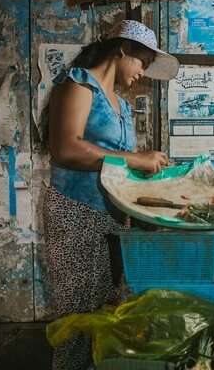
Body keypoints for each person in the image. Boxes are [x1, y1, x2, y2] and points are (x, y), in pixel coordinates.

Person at [42, 20, 179, 370]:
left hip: (111, 217)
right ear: (123, 50)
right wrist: (135, 158)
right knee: (76, 314)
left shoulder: (121, 105)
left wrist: (151, 175)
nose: (142, 73)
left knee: (106, 311)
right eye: (142, 62)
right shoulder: (78, 86)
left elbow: (116, 166)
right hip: (75, 211)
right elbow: (65, 148)